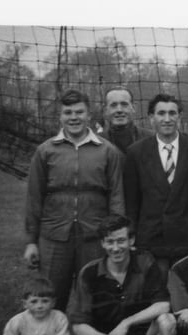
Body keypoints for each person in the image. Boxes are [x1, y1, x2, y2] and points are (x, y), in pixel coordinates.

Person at [24, 89, 125, 311]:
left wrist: (116, 237)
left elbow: (116, 196)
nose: (73, 117)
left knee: (96, 296)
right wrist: (32, 241)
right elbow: (34, 198)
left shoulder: (107, 151)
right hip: (53, 237)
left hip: (93, 236)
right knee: (49, 297)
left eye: (79, 112)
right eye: (67, 112)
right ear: (60, 116)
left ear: (89, 114)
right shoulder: (45, 151)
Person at [67, 215, 174, 335]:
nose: (116, 248)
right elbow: (78, 324)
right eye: (110, 242)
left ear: (131, 240)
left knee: (167, 322)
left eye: (121, 241)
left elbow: (163, 305)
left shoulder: (146, 262)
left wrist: (126, 324)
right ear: (102, 243)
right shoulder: (89, 273)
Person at [123, 94, 188, 276]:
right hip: (151, 242)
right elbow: (132, 203)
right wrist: (133, 238)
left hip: (187, 240)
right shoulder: (136, 153)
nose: (167, 119)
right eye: (161, 113)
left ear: (180, 116)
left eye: (172, 113)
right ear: (151, 118)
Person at [99, 86, 153, 154]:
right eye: (113, 105)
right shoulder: (97, 142)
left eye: (124, 104)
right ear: (105, 110)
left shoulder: (152, 139)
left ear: (133, 107)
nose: (119, 110)